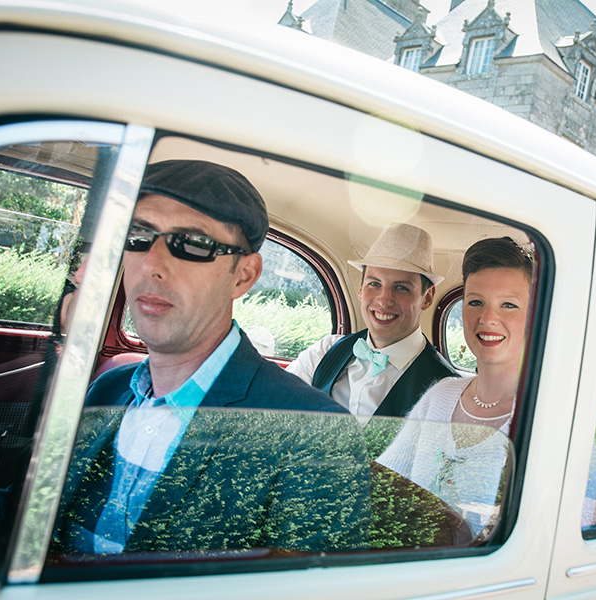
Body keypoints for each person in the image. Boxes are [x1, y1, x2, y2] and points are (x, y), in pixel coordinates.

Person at [46, 159, 369, 555]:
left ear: (244, 276)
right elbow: (31, 518)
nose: (152, 264)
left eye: (193, 244)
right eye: (138, 236)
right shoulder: (108, 389)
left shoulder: (313, 433)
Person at [374, 237, 534, 538]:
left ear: (535, 317)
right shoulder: (440, 396)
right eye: (475, 302)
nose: (487, 319)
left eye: (509, 305)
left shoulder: (546, 421)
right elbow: (381, 485)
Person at [286, 223, 456, 418]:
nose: (384, 300)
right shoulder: (325, 352)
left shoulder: (444, 389)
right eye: (374, 284)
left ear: (427, 297)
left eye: (401, 288)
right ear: (360, 290)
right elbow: (275, 407)